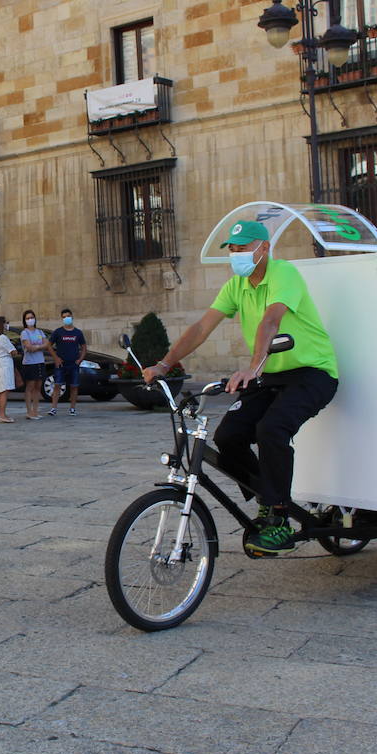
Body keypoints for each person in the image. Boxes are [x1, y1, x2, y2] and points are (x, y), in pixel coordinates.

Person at [141, 220, 338, 555]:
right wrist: (164, 363)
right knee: (228, 437)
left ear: (264, 248)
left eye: (242, 247)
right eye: (232, 248)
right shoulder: (237, 286)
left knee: (271, 429)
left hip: (313, 373)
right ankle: (270, 497)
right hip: (271, 376)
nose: (236, 254)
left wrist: (252, 367)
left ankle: (277, 519)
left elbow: (271, 321)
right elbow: (203, 326)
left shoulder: (283, 274)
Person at [47, 308, 87, 417]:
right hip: (61, 364)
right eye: (64, 317)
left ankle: (72, 409)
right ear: (62, 319)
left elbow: (84, 347)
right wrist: (56, 358)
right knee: (57, 385)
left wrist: (80, 360)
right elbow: (49, 345)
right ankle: (53, 408)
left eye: (68, 316)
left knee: (74, 386)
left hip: (73, 364)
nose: (66, 318)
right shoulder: (58, 332)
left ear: (72, 317)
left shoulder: (78, 332)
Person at [18, 309, 51, 420]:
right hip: (30, 363)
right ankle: (29, 412)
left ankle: (35, 411)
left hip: (40, 362)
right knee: (30, 387)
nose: (30, 319)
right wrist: (38, 346)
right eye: (27, 318)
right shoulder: (24, 333)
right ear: (24, 320)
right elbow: (29, 347)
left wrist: (36, 347)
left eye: (31, 317)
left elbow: (46, 344)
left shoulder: (39, 332)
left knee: (38, 387)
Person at [0, 316, 18, 423]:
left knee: (1, 391)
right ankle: (2, 415)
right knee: (4, 390)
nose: (7, 324)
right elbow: (13, 352)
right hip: (5, 365)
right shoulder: (2, 338)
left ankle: (2, 413)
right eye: (6, 322)